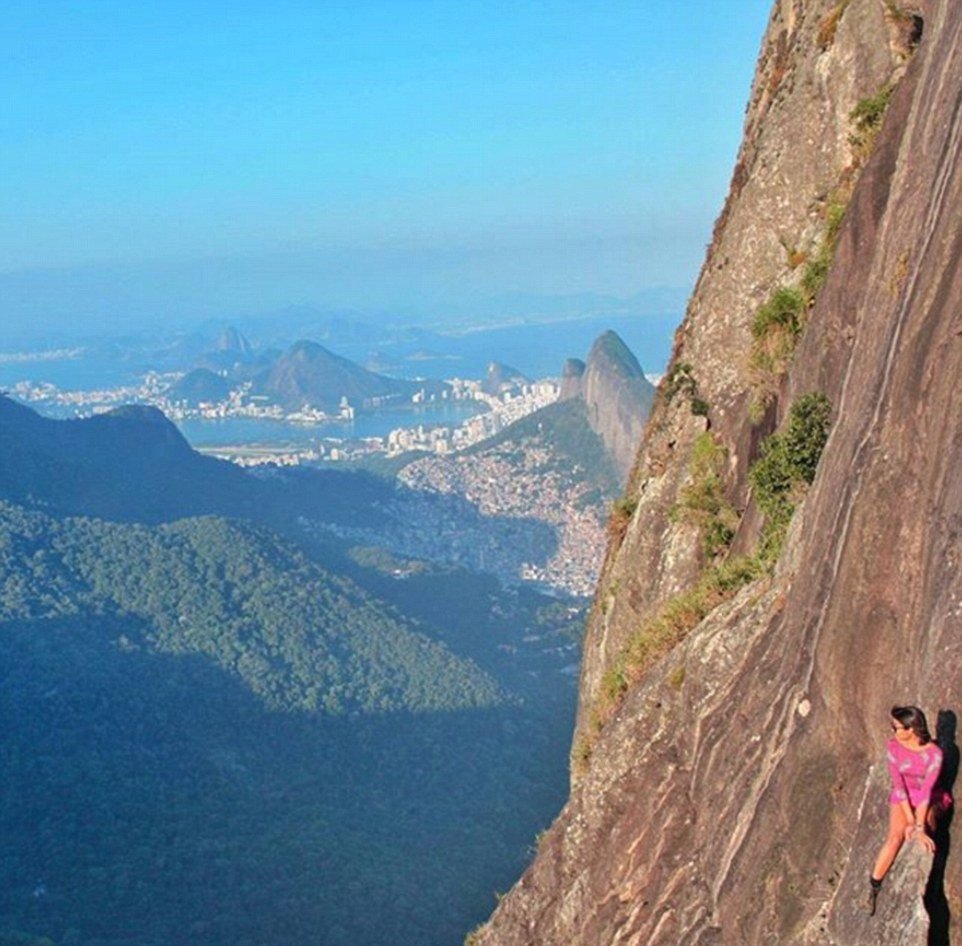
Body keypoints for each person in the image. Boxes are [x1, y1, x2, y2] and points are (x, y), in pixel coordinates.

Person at [865, 705, 952, 915]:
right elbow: (898, 785)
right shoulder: (894, 747)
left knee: (925, 833)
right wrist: (910, 821)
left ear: (911, 729)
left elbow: (926, 792)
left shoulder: (934, 754)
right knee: (895, 838)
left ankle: (928, 889)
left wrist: (919, 827)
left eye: (896, 728)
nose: (893, 732)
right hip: (903, 796)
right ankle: (874, 886)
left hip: (928, 796)